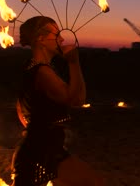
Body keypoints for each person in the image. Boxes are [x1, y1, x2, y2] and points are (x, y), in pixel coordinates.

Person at [11, 16, 104, 186]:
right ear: (41, 39)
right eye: (57, 34)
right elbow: (75, 99)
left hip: (44, 149)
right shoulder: (42, 72)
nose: (61, 39)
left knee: (92, 182)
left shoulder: (34, 67)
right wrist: (74, 63)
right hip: (39, 152)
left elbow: (80, 98)